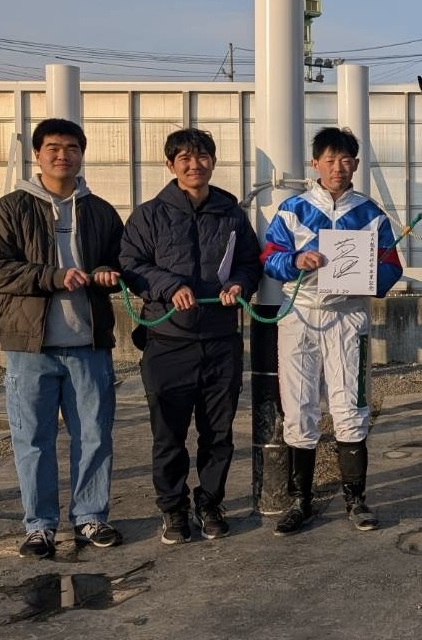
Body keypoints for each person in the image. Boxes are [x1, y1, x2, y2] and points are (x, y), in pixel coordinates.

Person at [0, 118, 125, 559]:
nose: (62, 155)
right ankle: (40, 525)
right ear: (38, 155)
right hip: (30, 347)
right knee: (33, 439)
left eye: (71, 148)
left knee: (95, 436)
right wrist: (53, 276)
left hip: (89, 344)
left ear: (83, 154)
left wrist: (109, 275)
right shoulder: (11, 208)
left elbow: (123, 263)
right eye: (53, 148)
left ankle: (90, 516)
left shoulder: (100, 210)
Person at [119, 128, 262, 545]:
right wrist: (168, 286)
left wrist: (239, 284)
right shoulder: (148, 214)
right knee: (169, 434)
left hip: (221, 340)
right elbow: (131, 262)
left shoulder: (231, 213)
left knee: (218, 433)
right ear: (169, 165)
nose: (193, 164)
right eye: (183, 158)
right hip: (167, 341)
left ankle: (210, 502)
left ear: (213, 162)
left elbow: (252, 262)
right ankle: (173, 508)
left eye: (201, 157)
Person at [261, 127, 403, 535]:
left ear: (356, 164)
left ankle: (356, 499)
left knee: (351, 403)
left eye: (346, 160)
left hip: (348, 316)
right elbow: (270, 257)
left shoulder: (371, 213)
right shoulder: (293, 208)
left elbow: (391, 264)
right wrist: (296, 261)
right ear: (315, 164)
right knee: (299, 405)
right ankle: (300, 500)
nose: (338, 167)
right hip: (300, 315)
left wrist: (370, 280)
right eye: (329, 159)